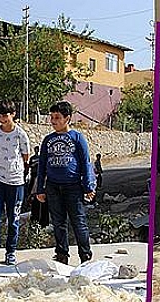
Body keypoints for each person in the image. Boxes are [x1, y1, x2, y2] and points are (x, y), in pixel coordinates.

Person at [36, 101, 96, 265]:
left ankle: (85, 255)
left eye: (57, 117)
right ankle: (62, 254)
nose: (53, 121)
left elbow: (86, 163)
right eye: (52, 117)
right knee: (58, 222)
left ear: (67, 118)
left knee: (79, 222)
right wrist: (40, 188)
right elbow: (42, 166)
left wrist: (89, 186)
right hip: (53, 187)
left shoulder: (77, 137)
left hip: (73, 187)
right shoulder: (48, 140)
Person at [0, 100, 30, 266]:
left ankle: (11, 251)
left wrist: (17, 170)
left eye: (5, 115)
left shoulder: (20, 134)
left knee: (13, 218)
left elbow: (25, 156)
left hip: (16, 181)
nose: (2, 119)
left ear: (13, 114)